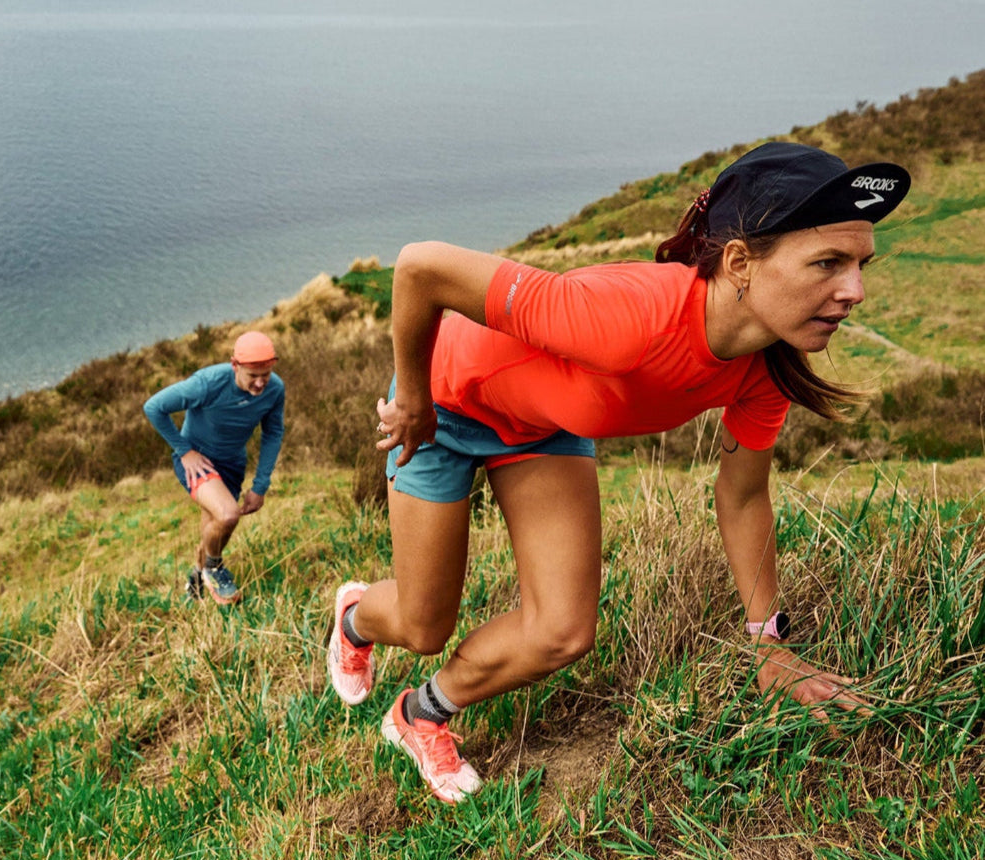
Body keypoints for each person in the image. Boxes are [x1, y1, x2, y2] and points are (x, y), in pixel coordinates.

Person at [325, 141, 911, 803]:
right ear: (742, 262)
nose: (855, 290)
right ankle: (353, 619)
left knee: (562, 631)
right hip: (445, 408)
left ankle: (419, 713)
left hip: (542, 428)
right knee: (422, 624)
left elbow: (743, 496)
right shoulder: (627, 318)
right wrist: (410, 398)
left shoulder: (765, 368)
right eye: (828, 263)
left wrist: (766, 644)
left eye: (861, 263)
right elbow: (420, 267)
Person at [144, 330, 286, 604]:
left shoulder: (275, 389)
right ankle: (214, 569)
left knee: (216, 526)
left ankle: (196, 581)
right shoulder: (207, 384)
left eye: (265, 375)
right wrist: (184, 451)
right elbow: (154, 407)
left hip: (232, 465)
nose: (259, 384)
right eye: (252, 376)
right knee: (228, 515)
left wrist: (260, 485)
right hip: (197, 464)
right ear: (235, 365)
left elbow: (273, 433)